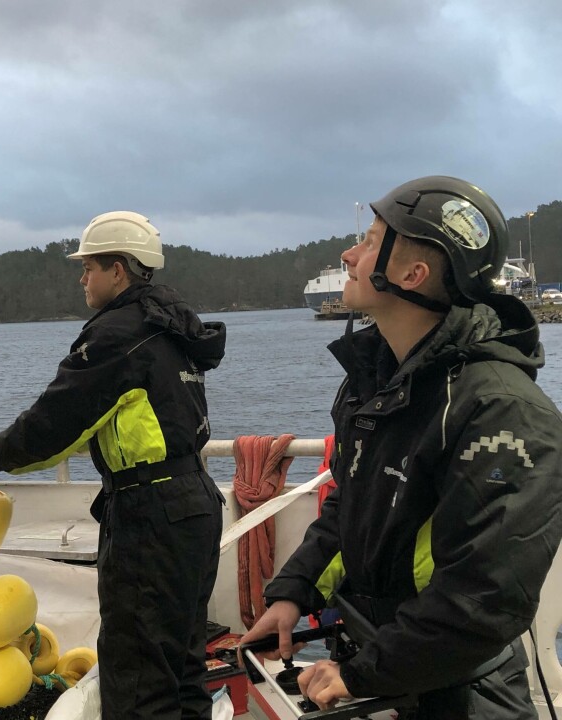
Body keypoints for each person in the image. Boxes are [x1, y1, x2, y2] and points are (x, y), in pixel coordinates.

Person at [240, 176, 562, 718]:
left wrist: (360, 675)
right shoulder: (380, 381)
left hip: (455, 694)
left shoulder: (502, 412)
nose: (348, 254)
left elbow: (484, 598)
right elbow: (353, 503)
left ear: (412, 275)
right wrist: (293, 591)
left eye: (367, 242)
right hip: (383, 669)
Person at [0, 211, 227, 720]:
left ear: (119, 271)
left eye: (88, 267)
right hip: (195, 503)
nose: (82, 278)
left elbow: (55, 425)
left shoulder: (117, 335)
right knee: (183, 666)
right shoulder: (171, 329)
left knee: (138, 679)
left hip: (151, 515)